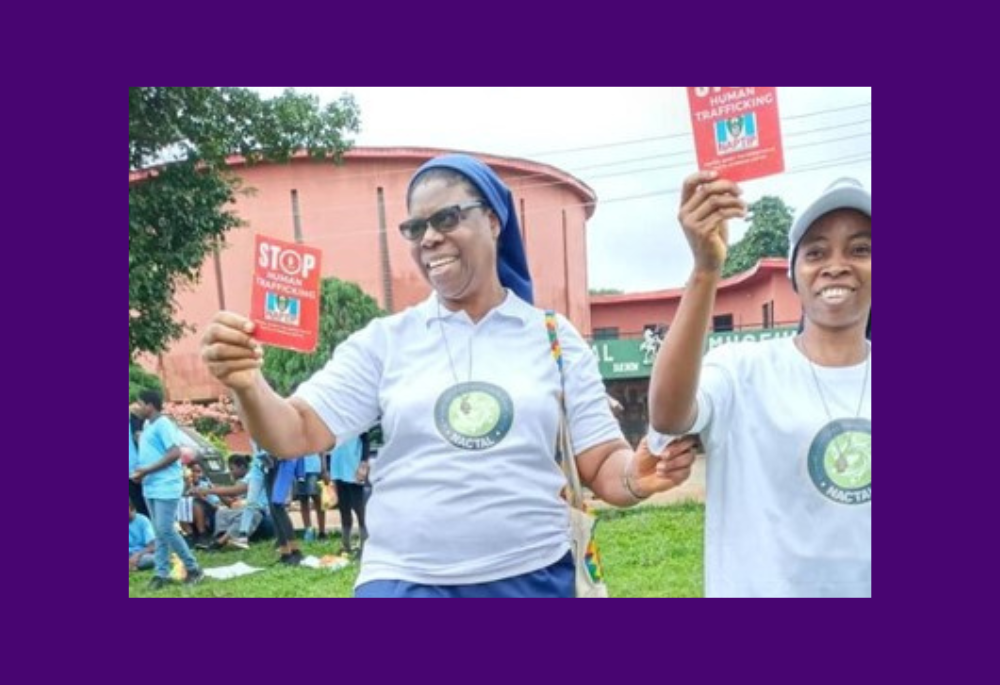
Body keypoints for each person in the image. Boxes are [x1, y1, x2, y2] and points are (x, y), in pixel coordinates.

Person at [202, 153, 698, 598]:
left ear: (494, 220)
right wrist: (248, 383)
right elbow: (295, 430)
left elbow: (602, 464)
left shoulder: (553, 337)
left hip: (532, 577)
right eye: (416, 228)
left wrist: (636, 476)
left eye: (447, 217)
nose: (430, 237)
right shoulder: (386, 340)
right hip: (405, 581)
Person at [647, 172, 871, 598]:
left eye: (860, 249)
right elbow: (669, 414)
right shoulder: (741, 369)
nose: (836, 265)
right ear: (795, 273)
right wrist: (706, 270)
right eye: (816, 252)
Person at [131, 389, 204, 588]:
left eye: (139, 403)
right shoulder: (147, 425)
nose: (136, 407)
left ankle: (194, 568)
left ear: (150, 405)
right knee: (159, 531)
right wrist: (142, 473)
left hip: (166, 485)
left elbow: (174, 453)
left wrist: (146, 470)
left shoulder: (163, 424)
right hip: (150, 485)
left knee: (165, 528)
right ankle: (161, 574)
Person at [328, 434, 369, 556]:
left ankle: (365, 546)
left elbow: (366, 441)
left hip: (354, 467)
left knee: (359, 509)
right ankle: (346, 545)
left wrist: (363, 465)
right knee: (344, 509)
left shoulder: (358, 420)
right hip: (338, 466)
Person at [296, 453, 326, 541]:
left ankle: (322, 532)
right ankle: (308, 531)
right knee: (303, 500)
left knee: (317, 498)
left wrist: (323, 468)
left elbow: (322, 448)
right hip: (299, 467)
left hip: (313, 467)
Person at [129, 500, 156, 573]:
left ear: (134, 510)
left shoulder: (143, 520)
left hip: (142, 554)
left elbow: (152, 547)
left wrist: (137, 555)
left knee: (154, 559)